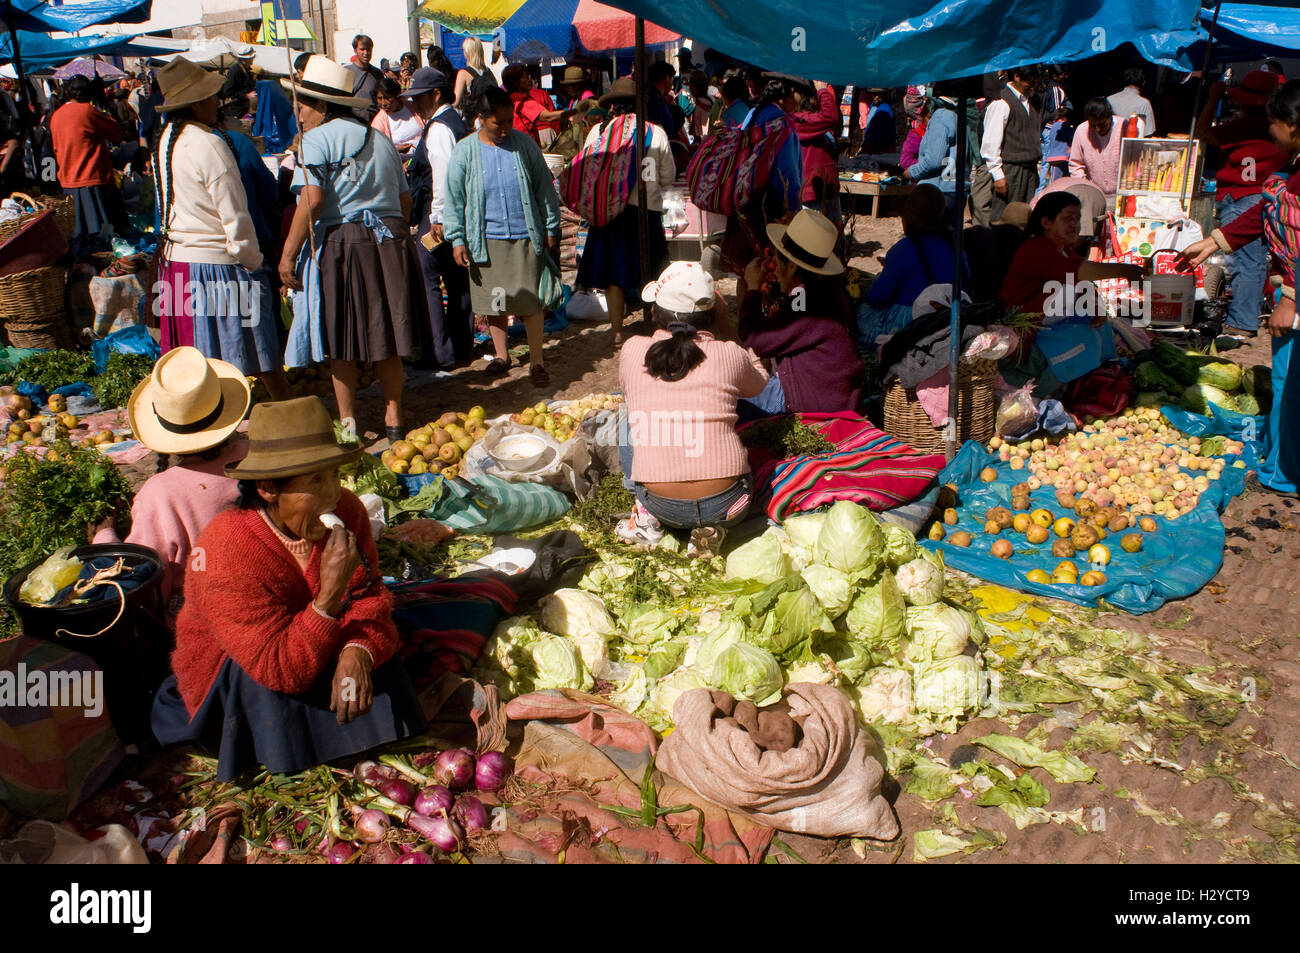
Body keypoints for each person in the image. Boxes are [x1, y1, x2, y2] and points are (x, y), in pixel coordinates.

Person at [152, 397, 426, 781]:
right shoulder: (226, 547)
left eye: (333, 473)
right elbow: (279, 670)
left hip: (310, 642)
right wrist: (328, 598)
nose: (333, 492)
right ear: (267, 489)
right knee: (268, 686)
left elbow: (368, 595)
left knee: (379, 645)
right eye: (315, 480)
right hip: (246, 672)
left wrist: (357, 651)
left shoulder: (347, 511)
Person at [278, 56, 422, 443]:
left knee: (341, 337)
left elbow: (311, 198)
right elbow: (405, 202)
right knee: (387, 335)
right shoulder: (380, 140)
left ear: (322, 107)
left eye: (303, 106)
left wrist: (288, 255)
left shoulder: (315, 141)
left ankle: (348, 422)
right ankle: (394, 418)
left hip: (345, 243)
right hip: (389, 241)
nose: (300, 115)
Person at [1180, 80, 1300, 498]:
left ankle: (1284, 473)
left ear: (1293, 124)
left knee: (1293, 384)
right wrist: (1213, 241)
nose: (1269, 132)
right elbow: (1261, 217)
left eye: (1274, 123)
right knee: (1286, 381)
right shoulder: (1293, 168)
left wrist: (1289, 298)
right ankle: (1281, 462)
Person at [152, 58, 288, 400]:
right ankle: (286, 414)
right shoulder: (210, 143)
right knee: (256, 348)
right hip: (215, 267)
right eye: (212, 97)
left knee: (197, 360)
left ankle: (204, 422)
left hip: (179, 265)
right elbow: (235, 215)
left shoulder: (167, 138)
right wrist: (253, 261)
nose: (218, 103)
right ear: (197, 103)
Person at [618, 262, 768, 558]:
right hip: (728, 503)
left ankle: (646, 517)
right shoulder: (729, 354)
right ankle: (715, 528)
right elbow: (760, 381)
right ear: (712, 314)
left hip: (662, 504)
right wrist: (726, 326)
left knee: (629, 413)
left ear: (653, 312)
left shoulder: (632, 349)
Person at [444, 86, 561, 388]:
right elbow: (454, 198)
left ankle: (537, 360)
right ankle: (502, 356)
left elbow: (544, 189)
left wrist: (550, 226)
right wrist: (457, 238)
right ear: (481, 118)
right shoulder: (465, 151)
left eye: (510, 121)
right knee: (495, 303)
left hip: (524, 236)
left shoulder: (525, 145)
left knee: (529, 302)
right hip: (486, 238)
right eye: (499, 122)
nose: (507, 128)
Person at [998, 191, 1144, 397]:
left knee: (1102, 330)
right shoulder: (1036, 249)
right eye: (1067, 218)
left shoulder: (1064, 249)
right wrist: (1125, 270)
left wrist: (1096, 304)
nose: (1075, 224)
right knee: (1087, 340)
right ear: (1046, 222)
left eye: (1077, 218)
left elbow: (1082, 283)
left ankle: (1089, 383)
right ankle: (1040, 393)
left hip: (1053, 326)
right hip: (1028, 336)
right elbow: (1075, 271)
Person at [574, 77, 675, 345]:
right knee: (650, 270)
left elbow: (585, 169)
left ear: (611, 105)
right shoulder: (655, 133)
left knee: (613, 274)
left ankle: (617, 330)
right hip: (646, 211)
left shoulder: (598, 132)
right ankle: (652, 324)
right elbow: (667, 177)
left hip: (608, 213)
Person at [738, 209, 862, 415]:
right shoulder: (822, 293)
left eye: (778, 262)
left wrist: (752, 289)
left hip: (817, 407)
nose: (775, 270)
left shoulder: (807, 305)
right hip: (827, 398)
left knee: (727, 394)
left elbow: (756, 340)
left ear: (793, 267)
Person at [1194, 70, 1289, 336]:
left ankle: (1243, 320)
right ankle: (1246, 315)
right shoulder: (1270, 129)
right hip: (1254, 198)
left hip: (1240, 198)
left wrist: (1213, 100)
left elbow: (1202, 132)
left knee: (1246, 262)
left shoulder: (1238, 126)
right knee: (1252, 262)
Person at [403, 67, 474, 370]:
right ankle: (459, 347)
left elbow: (444, 173)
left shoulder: (440, 128)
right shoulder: (451, 122)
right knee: (457, 280)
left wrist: (439, 217)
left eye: (419, 98)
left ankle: (440, 352)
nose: (414, 105)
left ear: (435, 95)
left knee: (428, 279)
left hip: (436, 217)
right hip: (450, 215)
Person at [719, 75, 804, 306]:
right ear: (787, 92)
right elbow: (789, 177)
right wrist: (793, 212)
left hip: (744, 204)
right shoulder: (783, 124)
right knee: (770, 271)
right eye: (799, 94)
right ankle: (764, 321)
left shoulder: (753, 114)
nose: (799, 101)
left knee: (748, 267)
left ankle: (745, 315)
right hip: (769, 210)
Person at [858, 185, 967, 341]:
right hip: (952, 318)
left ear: (908, 218)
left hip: (915, 322)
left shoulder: (905, 249)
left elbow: (877, 297)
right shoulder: (956, 249)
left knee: (865, 311)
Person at [50, 75, 126, 256]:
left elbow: (54, 148)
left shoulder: (56, 115)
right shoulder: (88, 111)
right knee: (103, 234)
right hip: (93, 180)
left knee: (79, 236)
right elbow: (117, 134)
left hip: (68, 182)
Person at [980, 64, 1044, 221]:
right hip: (1010, 171)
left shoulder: (1033, 102)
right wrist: (997, 175)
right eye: (1029, 81)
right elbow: (991, 142)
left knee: (1024, 219)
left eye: (1035, 82)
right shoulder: (1001, 101)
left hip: (1029, 170)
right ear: (1016, 76)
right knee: (1006, 219)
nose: (1033, 86)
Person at [791, 78, 841, 223]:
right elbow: (830, 116)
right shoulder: (799, 121)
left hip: (826, 190)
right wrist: (822, 90)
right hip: (813, 193)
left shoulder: (811, 122)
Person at [902, 92, 959, 216]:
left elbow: (934, 160)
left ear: (929, 115)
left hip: (937, 190)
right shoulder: (957, 117)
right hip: (952, 187)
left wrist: (912, 172)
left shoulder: (940, 119)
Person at [501, 64, 567, 147]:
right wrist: (573, 112)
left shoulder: (507, 99)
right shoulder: (522, 101)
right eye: (526, 77)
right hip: (525, 145)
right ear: (516, 83)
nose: (530, 80)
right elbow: (548, 116)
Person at [1068, 97, 1122, 197]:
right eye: (1093, 125)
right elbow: (1075, 165)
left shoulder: (1123, 127)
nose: (1097, 129)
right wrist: (1086, 189)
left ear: (1110, 117)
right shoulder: (1081, 130)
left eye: (1102, 124)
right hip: (1094, 195)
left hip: (1121, 194)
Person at [371, 76, 424, 155]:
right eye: (379, 98)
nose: (383, 103)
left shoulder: (414, 107)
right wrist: (395, 150)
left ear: (397, 95)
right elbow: (377, 150)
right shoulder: (378, 123)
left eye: (388, 98)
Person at [1040, 65, 1072, 190]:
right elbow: (1058, 111)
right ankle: (1044, 190)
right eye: (1063, 73)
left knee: (1045, 162)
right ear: (1055, 76)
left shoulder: (1048, 87)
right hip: (1051, 128)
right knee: (1047, 164)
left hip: (1047, 128)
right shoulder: (1056, 89)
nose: (1065, 76)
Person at [454, 37, 495, 121]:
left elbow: (455, 102)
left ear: (467, 52)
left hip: (472, 120)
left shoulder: (463, 73)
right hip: (489, 117)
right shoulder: (488, 72)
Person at [1108, 67, 1155, 138]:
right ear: (1143, 83)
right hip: (1132, 146)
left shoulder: (1109, 99)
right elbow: (1148, 133)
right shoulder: (1144, 103)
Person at [345, 35, 383, 123]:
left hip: (373, 121)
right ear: (355, 50)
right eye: (362, 49)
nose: (366, 53)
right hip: (353, 121)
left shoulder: (377, 73)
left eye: (368, 49)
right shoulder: (347, 72)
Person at [220, 45, 258, 116]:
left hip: (246, 108)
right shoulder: (235, 71)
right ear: (246, 59)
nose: (253, 58)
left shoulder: (246, 70)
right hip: (238, 110)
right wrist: (246, 95)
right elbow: (227, 91)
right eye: (252, 57)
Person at [859, 89, 895, 154]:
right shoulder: (873, 105)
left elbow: (879, 133)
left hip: (880, 148)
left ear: (884, 95)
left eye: (879, 94)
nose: (876, 97)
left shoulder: (885, 109)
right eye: (874, 94)